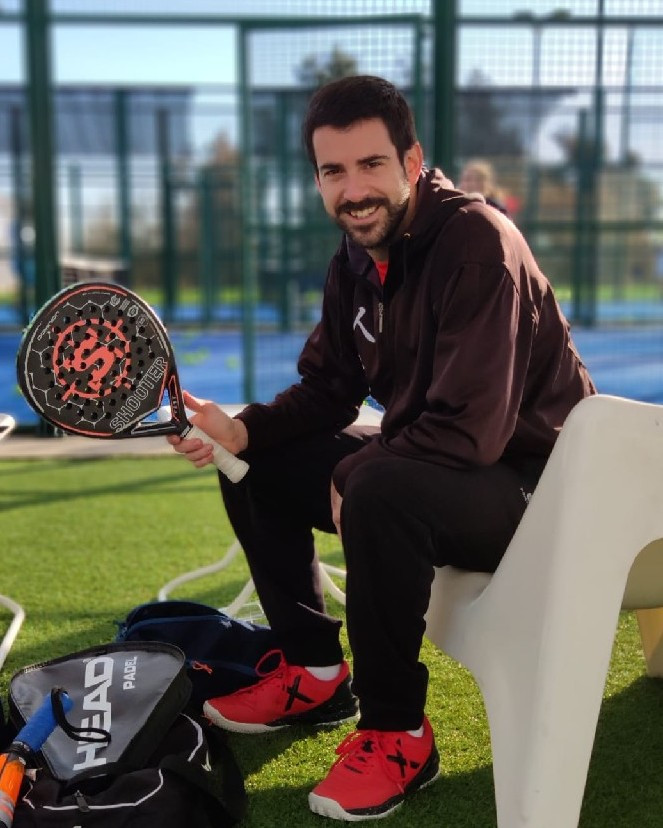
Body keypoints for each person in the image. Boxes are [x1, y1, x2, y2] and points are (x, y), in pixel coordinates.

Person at [167, 75, 596, 822]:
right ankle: (313, 672)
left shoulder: (478, 244)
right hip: (456, 467)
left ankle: (399, 733)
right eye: (333, 171)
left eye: (371, 164)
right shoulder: (356, 259)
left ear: (412, 161)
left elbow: (471, 429)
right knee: (257, 462)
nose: (353, 190)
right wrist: (243, 429)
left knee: (377, 486)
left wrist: (357, 466)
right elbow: (329, 388)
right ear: (317, 180)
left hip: (545, 485)